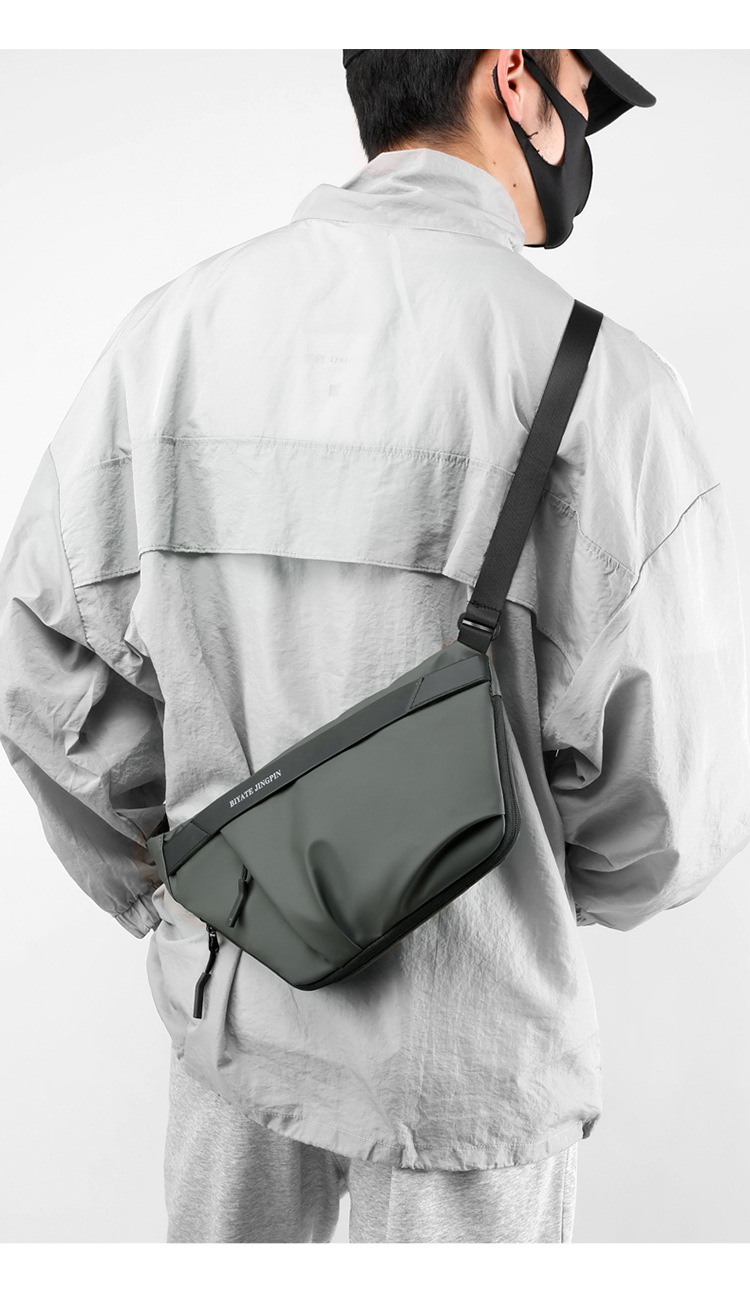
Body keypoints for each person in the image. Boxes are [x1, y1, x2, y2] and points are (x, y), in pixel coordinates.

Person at [0, 48, 748, 1246]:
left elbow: (40, 661)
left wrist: (194, 884)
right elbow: (679, 804)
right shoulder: (604, 387)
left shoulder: (172, 336)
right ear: (513, 76)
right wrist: (528, 882)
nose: (584, 120)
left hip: (234, 1014)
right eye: (582, 87)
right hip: (474, 1056)